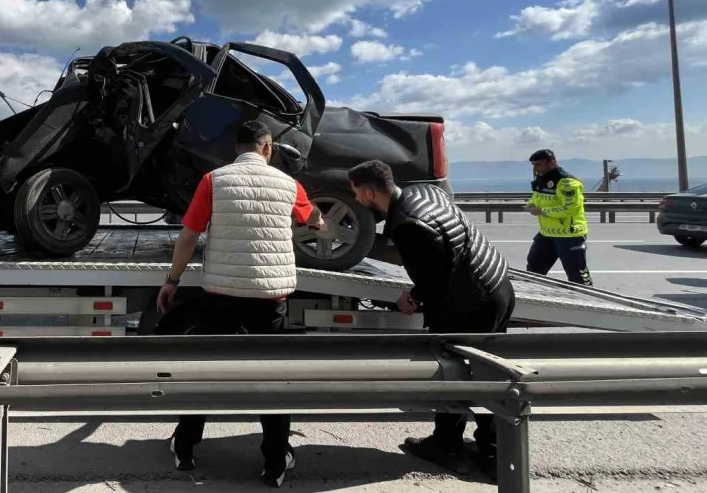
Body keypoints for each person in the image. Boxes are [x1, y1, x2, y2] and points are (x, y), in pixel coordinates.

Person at [157, 120, 324, 488]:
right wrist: (319, 221)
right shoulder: (289, 184)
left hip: (220, 297)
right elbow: (313, 219)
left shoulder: (213, 181)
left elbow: (189, 235)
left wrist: (172, 280)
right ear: (267, 148)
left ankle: (185, 449)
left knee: (204, 373)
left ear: (237, 148)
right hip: (270, 300)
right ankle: (275, 462)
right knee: (274, 379)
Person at [347, 159, 515, 481]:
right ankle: (487, 446)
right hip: (497, 285)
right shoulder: (421, 192)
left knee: (455, 372)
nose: (356, 201)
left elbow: (435, 280)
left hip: (472, 302)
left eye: (357, 194)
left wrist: (411, 299)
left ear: (369, 192)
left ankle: (458, 448)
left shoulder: (407, 225)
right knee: (485, 374)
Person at [525, 149, 592, 287]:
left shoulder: (567, 183)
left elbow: (570, 208)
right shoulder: (541, 179)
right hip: (546, 233)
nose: (536, 168)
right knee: (533, 270)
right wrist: (531, 204)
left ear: (552, 162)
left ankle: (590, 303)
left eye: (539, 164)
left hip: (569, 235)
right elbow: (537, 197)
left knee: (577, 277)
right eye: (533, 165)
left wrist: (542, 211)